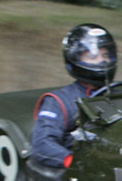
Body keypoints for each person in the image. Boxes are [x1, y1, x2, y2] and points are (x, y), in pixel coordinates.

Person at [31, 23, 117, 170]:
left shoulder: (121, 93)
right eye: (93, 56)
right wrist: (73, 162)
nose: (102, 61)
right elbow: (42, 144)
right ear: (75, 59)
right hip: (84, 173)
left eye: (106, 56)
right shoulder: (58, 101)